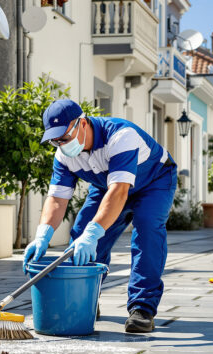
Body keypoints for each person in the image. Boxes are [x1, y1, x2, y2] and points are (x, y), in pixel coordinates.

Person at [23, 99, 176, 333]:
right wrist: (43, 235)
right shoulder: (64, 154)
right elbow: (56, 199)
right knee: (80, 235)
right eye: (55, 140)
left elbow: (120, 191)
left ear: (82, 123)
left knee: (147, 230)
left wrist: (94, 233)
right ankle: (84, 299)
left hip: (153, 181)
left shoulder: (121, 136)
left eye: (64, 137)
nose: (61, 144)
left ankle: (142, 308)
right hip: (107, 184)